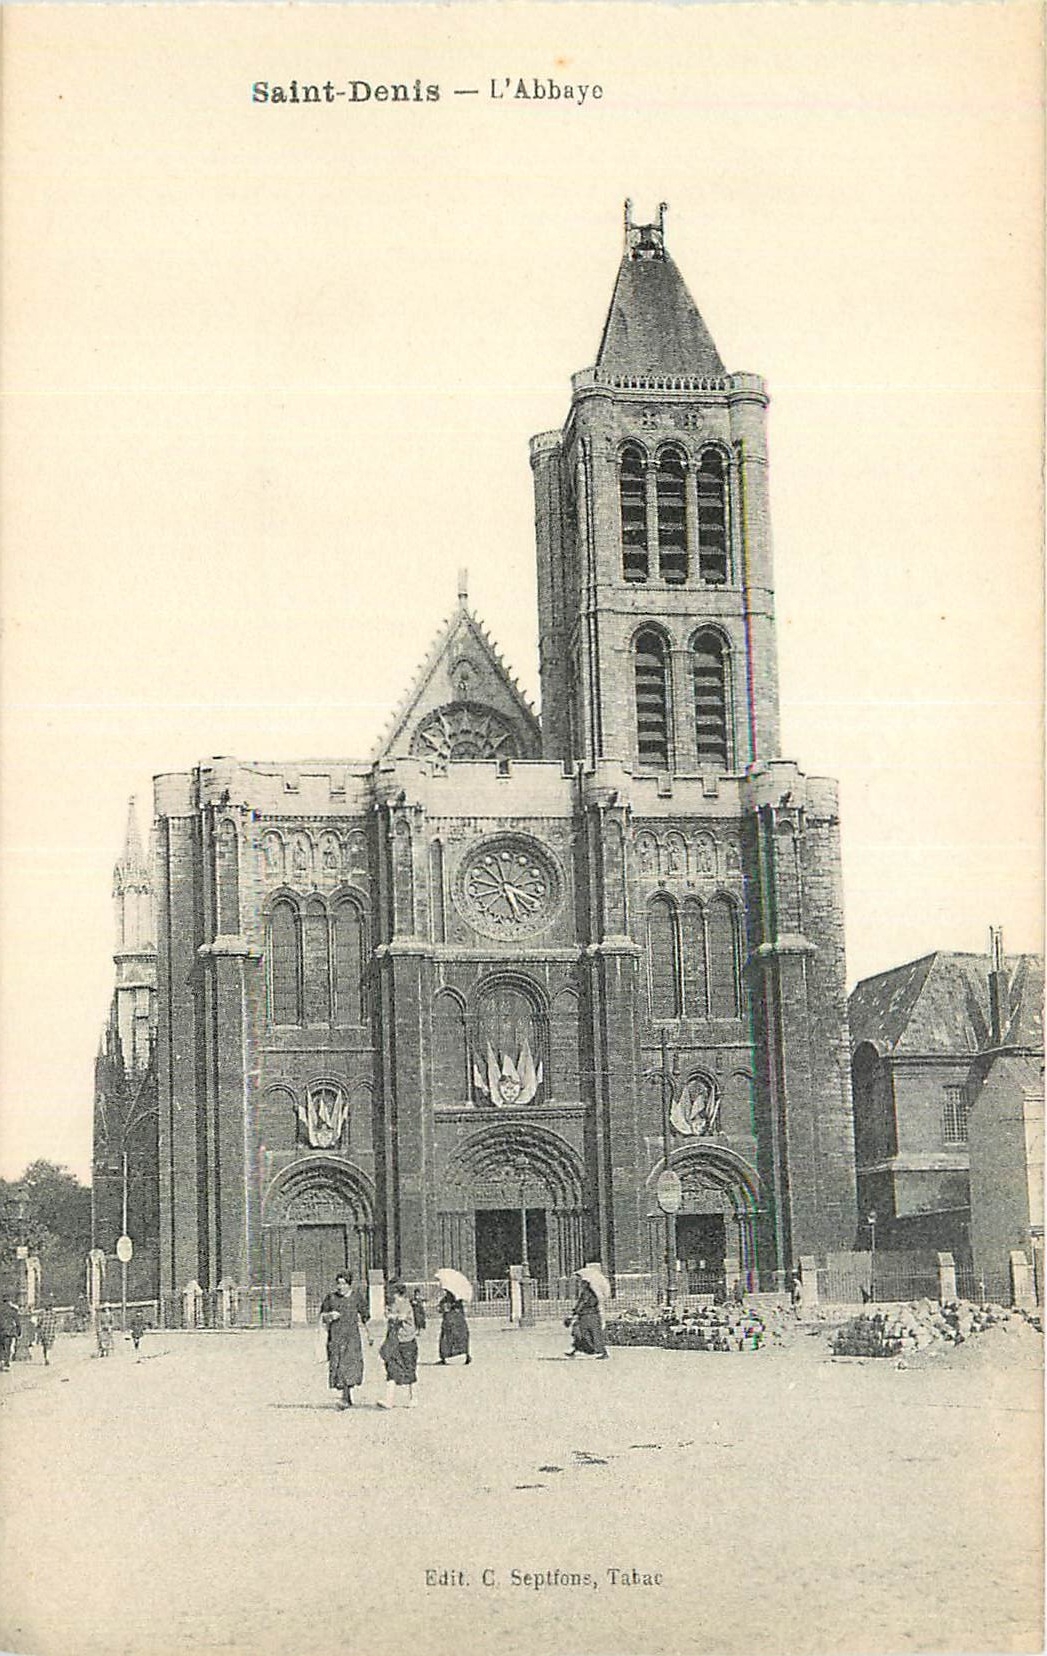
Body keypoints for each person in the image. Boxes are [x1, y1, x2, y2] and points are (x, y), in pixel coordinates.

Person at [319, 1270, 371, 1409]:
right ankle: (346, 1397)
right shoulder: (331, 1298)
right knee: (339, 1366)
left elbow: (366, 1316)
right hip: (336, 1337)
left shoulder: (356, 1297)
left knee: (350, 1366)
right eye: (338, 1283)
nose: (340, 1287)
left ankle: (346, 1398)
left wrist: (369, 1334)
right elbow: (322, 1316)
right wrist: (330, 1315)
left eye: (343, 1283)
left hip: (352, 1337)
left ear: (349, 1284)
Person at [378, 1281, 418, 1408]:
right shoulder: (393, 1304)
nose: (389, 1294)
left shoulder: (405, 1303)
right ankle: (389, 1400)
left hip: (407, 1341)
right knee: (391, 1368)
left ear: (397, 1292)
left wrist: (391, 1316)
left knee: (409, 1369)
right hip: (394, 1341)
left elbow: (401, 1317)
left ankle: (413, 1398)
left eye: (391, 1291)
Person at [566, 1277, 608, 1359]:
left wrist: (574, 1312)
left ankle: (594, 1350)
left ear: (585, 1285)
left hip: (587, 1316)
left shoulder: (585, 1293)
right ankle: (577, 1350)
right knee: (593, 1334)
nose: (579, 1285)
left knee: (583, 1333)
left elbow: (582, 1303)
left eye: (581, 1283)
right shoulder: (594, 1293)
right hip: (593, 1315)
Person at [437, 1291, 471, 1365]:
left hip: (453, 1324)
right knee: (451, 1340)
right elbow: (440, 1309)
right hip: (452, 1323)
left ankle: (465, 1355)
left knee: (449, 1340)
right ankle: (444, 1357)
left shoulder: (456, 1301)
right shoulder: (448, 1300)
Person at [0, 1298, 21, 1370]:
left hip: (1, 1331)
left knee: (1, 1347)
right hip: (9, 1332)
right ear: (9, 1302)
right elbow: (17, 1322)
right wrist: (19, 1331)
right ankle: (6, 1363)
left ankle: (1, 1361)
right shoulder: (12, 1311)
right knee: (7, 1347)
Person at [37, 1300, 58, 1366]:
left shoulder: (42, 1313)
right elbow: (56, 1322)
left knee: (44, 1345)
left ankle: (46, 1357)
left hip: (43, 1332)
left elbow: (39, 1322)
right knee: (49, 1346)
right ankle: (47, 1357)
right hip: (51, 1331)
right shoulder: (54, 1313)